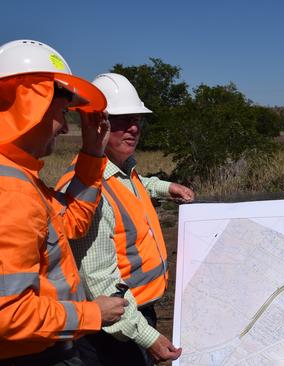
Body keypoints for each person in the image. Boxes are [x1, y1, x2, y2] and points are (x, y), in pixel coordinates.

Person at [0, 40, 127, 364]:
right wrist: (92, 313)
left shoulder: (19, 178)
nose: (66, 127)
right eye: (60, 113)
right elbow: (11, 315)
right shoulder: (12, 193)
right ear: (31, 106)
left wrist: (93, 152)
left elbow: (71, 221)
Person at [56, 73, 194, 365]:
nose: (133, 128)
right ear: (96, 124)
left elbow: (136, 182)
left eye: (137, 119)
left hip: (137, 313)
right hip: (114, 330)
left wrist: (166, 188)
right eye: (120, 120)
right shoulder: (87, 191)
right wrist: (148, 337)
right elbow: (99, 281)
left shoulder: (121, 169)